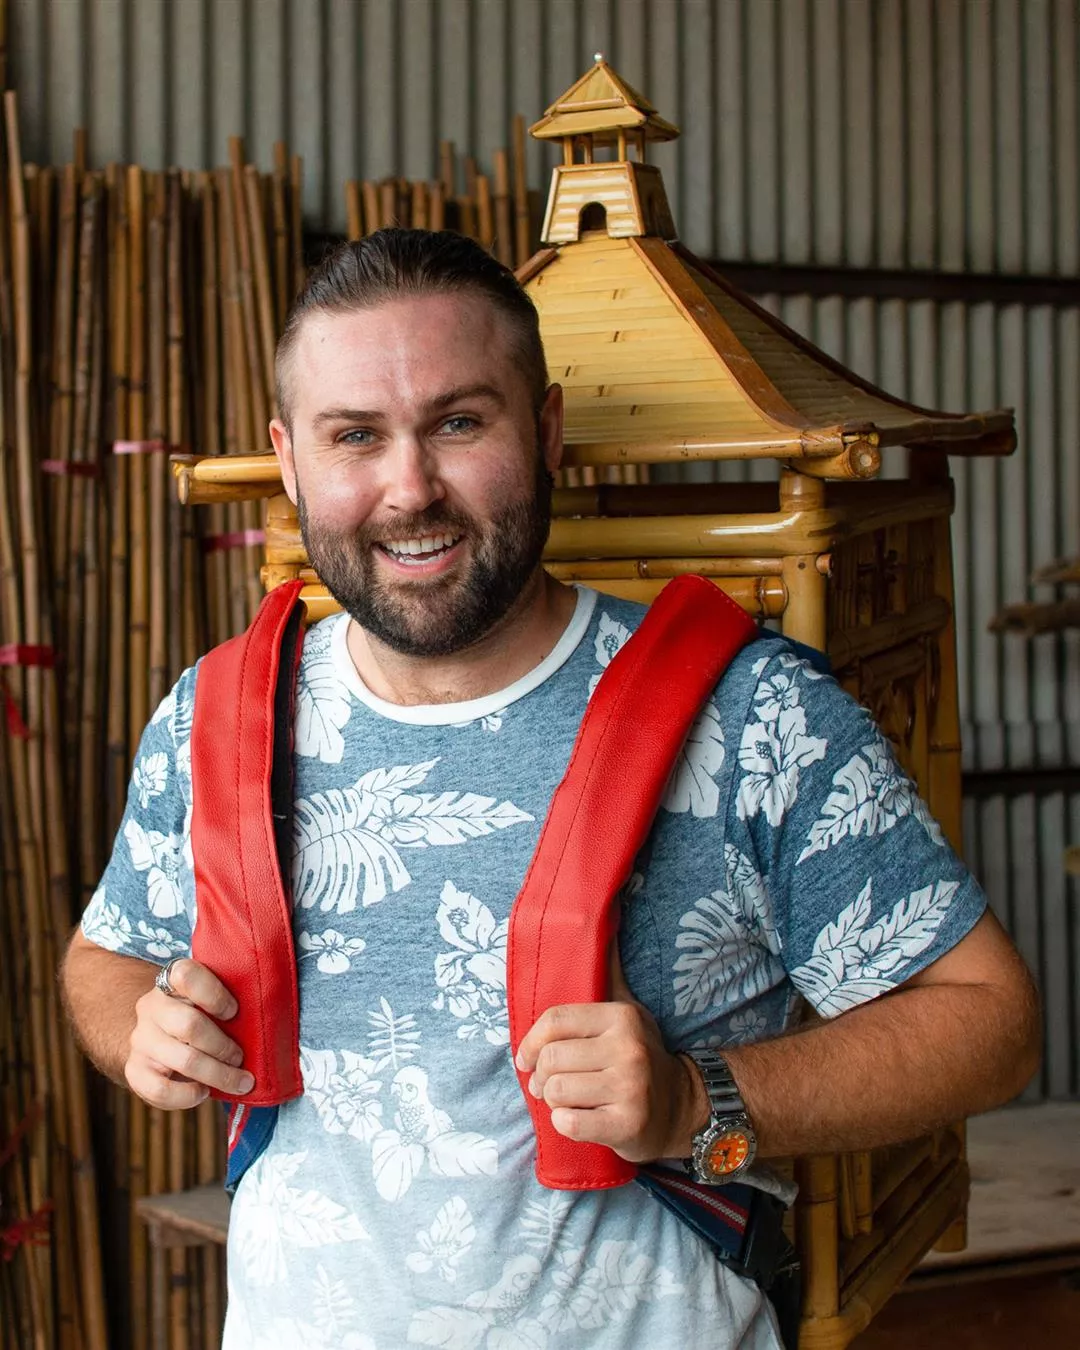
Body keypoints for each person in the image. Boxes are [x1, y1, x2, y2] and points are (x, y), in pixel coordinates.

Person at [62, 229, 1040, 1350]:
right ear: (291, 461)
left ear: (547, 431)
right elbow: (104, 960)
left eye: (458, 423)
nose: (409, 489)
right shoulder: (216, 715)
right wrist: (141, 1028)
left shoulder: (750, 716)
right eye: (355, 436)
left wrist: (696, 1099)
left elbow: (992, 1021)